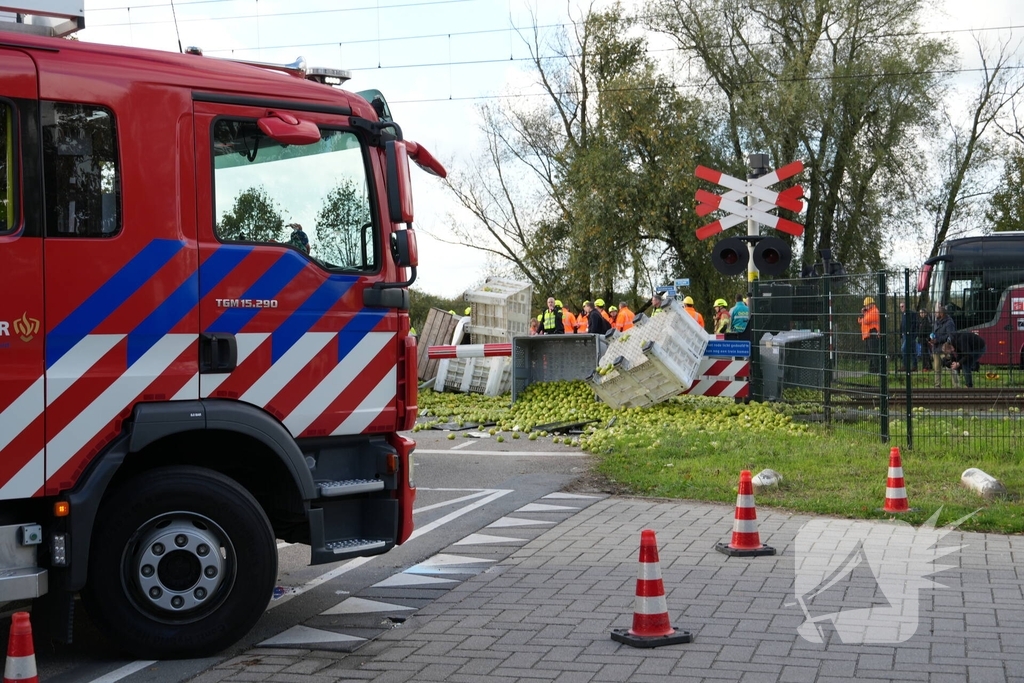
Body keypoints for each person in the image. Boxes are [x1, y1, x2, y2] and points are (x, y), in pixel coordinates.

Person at [930, 304, 957, 388]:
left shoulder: (949, 322)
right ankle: (937, 385)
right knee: (937, 368)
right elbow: (934, 332)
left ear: (941, 313)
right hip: (936, 348)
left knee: (950, 367)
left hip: (945, 348)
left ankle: (956, 385)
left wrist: (938, 339)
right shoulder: (936, 322)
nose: (935, 314)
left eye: (936, 312)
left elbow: (951, 335)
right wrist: (931, 338)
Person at [858, 296, 880, 374]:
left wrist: (864, 314)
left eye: (867, 305)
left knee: (874, 353)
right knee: (871, 353)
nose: (865, 307)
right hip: (867, 335)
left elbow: (866, 321)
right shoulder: (868, 312)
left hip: (872, 333)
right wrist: (862, 313)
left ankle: (876, 370)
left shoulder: (874, 311)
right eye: (865, 305)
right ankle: (872, 370)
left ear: (871, 304)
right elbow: (860, 321)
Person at [899, 302, 918, 372]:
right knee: (912, 350)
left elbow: (914, 324)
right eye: (900, 307)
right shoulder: (903, 315)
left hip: (910, 335)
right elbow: (902, 325)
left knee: (904, 349)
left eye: (902, 306)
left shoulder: (911, 314)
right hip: (904, 335)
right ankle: (914, 366)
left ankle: (906, 365)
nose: (901, 308)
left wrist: (912, 333)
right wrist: (901, 334)